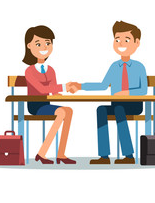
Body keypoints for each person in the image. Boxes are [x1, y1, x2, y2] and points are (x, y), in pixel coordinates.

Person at [70, 21, 147, 164]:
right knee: (101, 110)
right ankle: (104, 156)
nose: (121, 43)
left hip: (134, 105)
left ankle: (129, 155)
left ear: (137, 43)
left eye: (126, 40)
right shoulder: (114, 67)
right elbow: (103, 85)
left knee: (119, 109)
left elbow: (143, 90)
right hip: (117, 104)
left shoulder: (139, 67)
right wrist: (80, 86)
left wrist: (126, 93)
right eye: (117, 40)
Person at [23, 25, 76, 164]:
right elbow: (40, 89)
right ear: (29, 46)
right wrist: (65, 86)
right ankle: (42, 153)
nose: (44, 47)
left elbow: (54, 91)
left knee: (68, 111)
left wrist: (62, 92)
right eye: (38, 44)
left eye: (48, 43)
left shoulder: (50, 70)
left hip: (47, 104)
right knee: (62, 113)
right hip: (35, 106)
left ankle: (61, 154)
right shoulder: (29, 71)